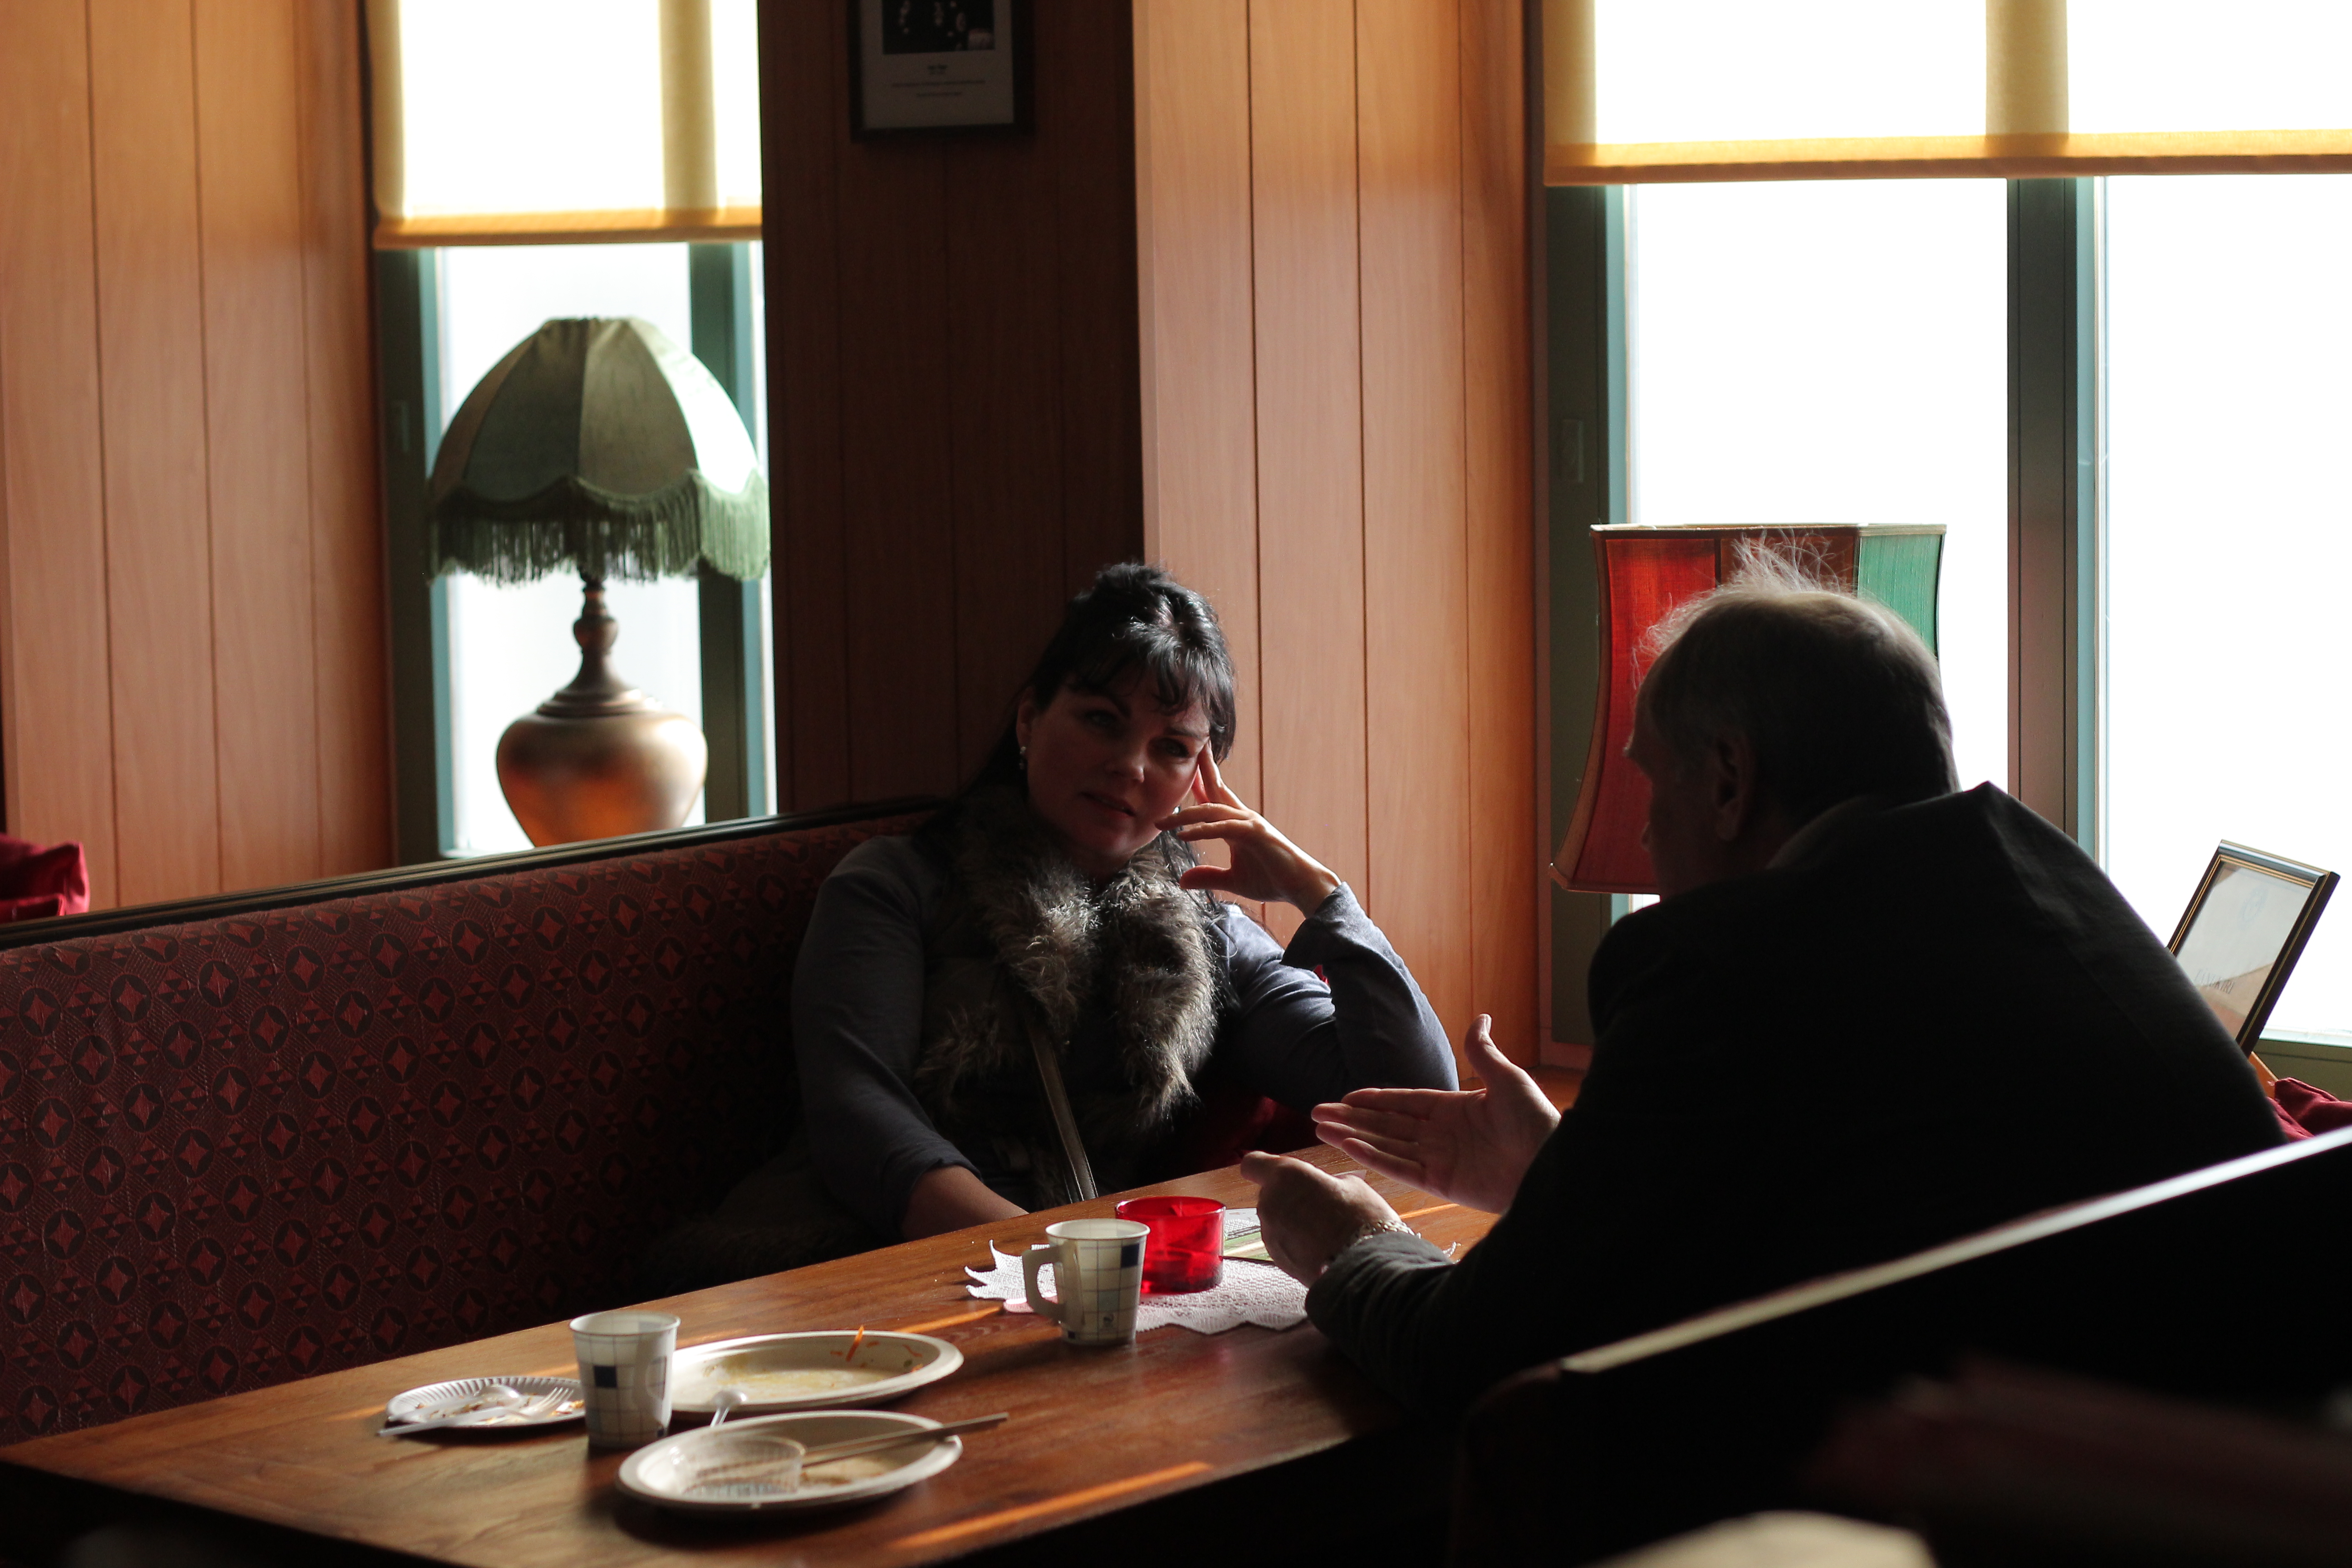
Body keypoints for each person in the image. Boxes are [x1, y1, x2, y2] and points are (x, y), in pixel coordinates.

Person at [1242, 565, 2284, 1416]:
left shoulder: (1731, 967)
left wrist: (1350, 1247)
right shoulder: (2051, 891)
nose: (1643, 829)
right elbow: (1832, 1215)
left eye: (1652, 779)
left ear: (1730, 780)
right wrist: (1565, 1179)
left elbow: (1472, 1360)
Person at [656, 564, 1455, 1284]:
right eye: (1102, 720)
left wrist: (1322, 897)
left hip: (1071, 1284)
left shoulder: (1205, 932)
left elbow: (1411, 1101)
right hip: (852, 1257)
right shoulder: (894, 885)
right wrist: (1047, 1256)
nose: (1131, 765)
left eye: (1172, 747)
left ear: (1199, 779)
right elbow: (856, 1118)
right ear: (1030, 718)